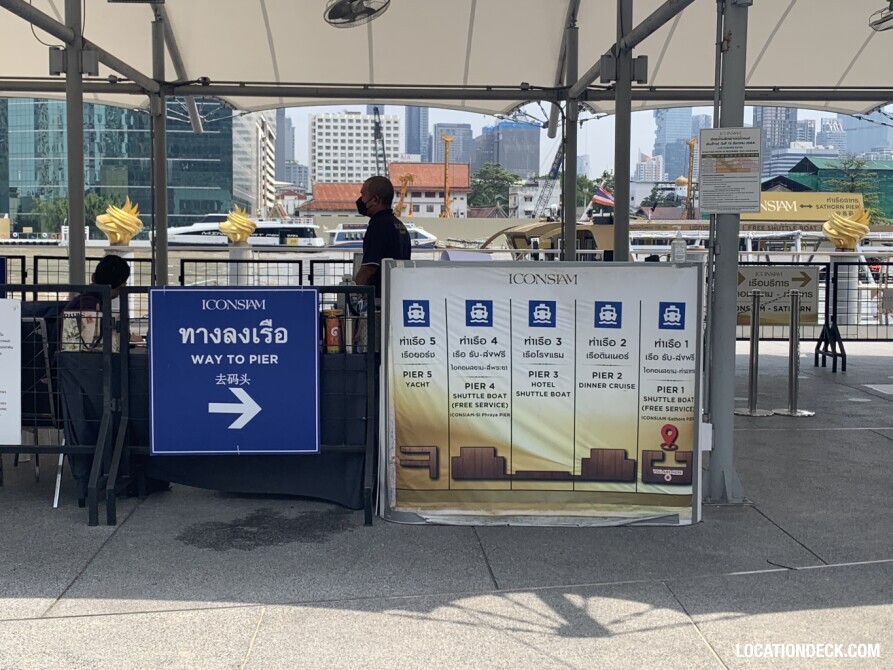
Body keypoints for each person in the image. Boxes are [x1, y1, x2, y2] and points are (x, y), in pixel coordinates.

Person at [353, 176, 411, 297]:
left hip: (380, 299)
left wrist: (352, 294)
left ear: (375, 200)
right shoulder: (399, 225)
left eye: (363, 195)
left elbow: (369, 268)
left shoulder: (378, 226)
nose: (360, 200)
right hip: (397, 294)